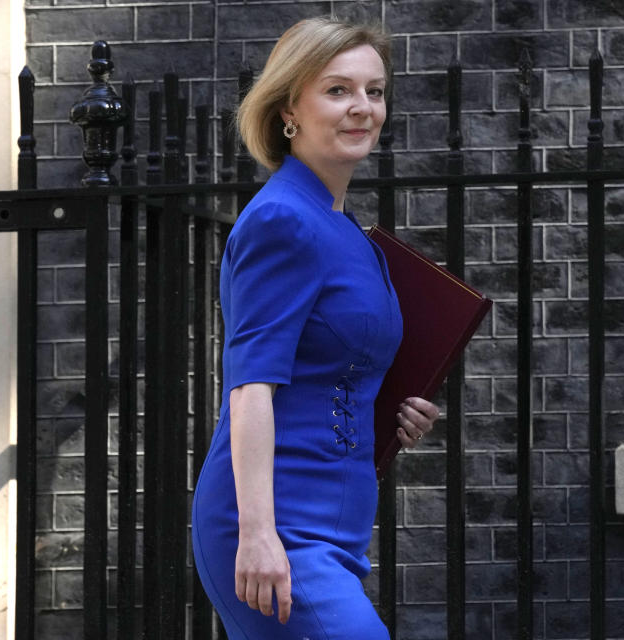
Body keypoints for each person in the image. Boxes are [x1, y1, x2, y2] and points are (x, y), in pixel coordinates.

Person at [191, 16, 440, 640]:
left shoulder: (354, 236)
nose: (362, 108)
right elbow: (250, 386)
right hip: (274, 528)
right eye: (338, 90)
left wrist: (394, 410)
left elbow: (336, 372)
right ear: (287, 112)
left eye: (374, 91)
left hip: (337, 526)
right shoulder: (281, 220)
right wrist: (257, 534)